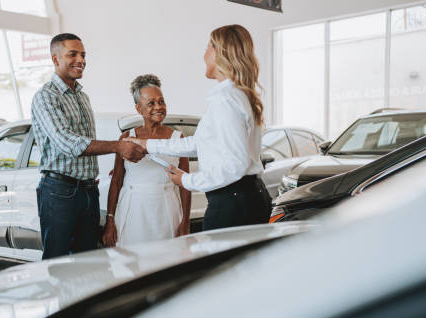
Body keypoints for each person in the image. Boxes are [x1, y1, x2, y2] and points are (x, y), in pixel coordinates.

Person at [125, 24, 271, 231]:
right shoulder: (237, 94)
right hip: (246, 197)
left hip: (232, 202)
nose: (204, 55)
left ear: (220, 53)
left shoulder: (226, 99)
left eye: (207, 48)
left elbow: (235, 165)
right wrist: (146, 145)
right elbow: (198, 143)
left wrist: (187, 180)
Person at [31, 33, 145, 259]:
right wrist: (117, 147)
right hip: (59, 192)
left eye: (83, 55)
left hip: (89, 191)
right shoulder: (45, 97)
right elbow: (68, 143)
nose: (81, 60)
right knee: (58, 262)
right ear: (55, 59)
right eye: (72, 54)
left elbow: (88, 143)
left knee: (88, 262)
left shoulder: (82, 96)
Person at [102, 75, 191, 247]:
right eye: (151, 103)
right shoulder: (127, 138)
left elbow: (184, 184)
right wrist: (110, 220)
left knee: (167, 262)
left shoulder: (177, 138)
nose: (158, 107)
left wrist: (185, 221)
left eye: (161, 101)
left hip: (166, 210)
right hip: (133, 209)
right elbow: (116, 181)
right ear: (138, 108)